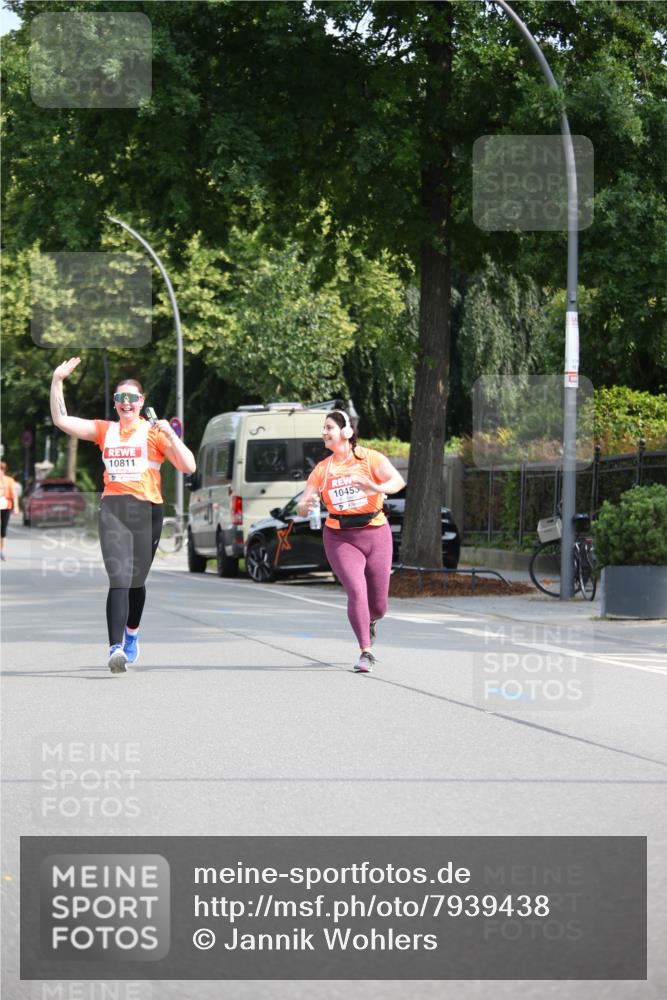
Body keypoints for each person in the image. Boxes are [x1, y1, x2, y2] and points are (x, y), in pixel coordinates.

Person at [50, 357, 196, 674]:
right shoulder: (105, 431)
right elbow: (62, 420)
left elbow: (189, 466)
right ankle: (115, 647)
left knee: (136, 582)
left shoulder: (155, 433)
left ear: (141, 402)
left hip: (148, 510)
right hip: (114, 508)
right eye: (120, 398)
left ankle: (131, 634)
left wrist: (171, 435)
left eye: (131, 398)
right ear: (115, 404)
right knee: (118, 577)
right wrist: (57, 380)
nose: (126, 403)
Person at [296, 410, 406, 673]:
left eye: (329, 427)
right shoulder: (322, 469)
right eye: (323, 428)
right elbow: (302, 504)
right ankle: (365, 651)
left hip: (376, 532)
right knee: (356, 591)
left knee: (379, 605)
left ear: (345, 432)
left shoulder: (369, 458)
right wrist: (305, 505)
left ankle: (370, 620)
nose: (324, 432)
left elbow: (397, 481)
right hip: (339, 536)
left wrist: (376, 488)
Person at [0, 462, 20, 561]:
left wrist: (16, 506)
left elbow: (14, 494)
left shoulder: (9, 480)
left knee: (3, 531)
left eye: (1, 470)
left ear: (4, 471)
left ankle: (1, 551)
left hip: (6, 506)